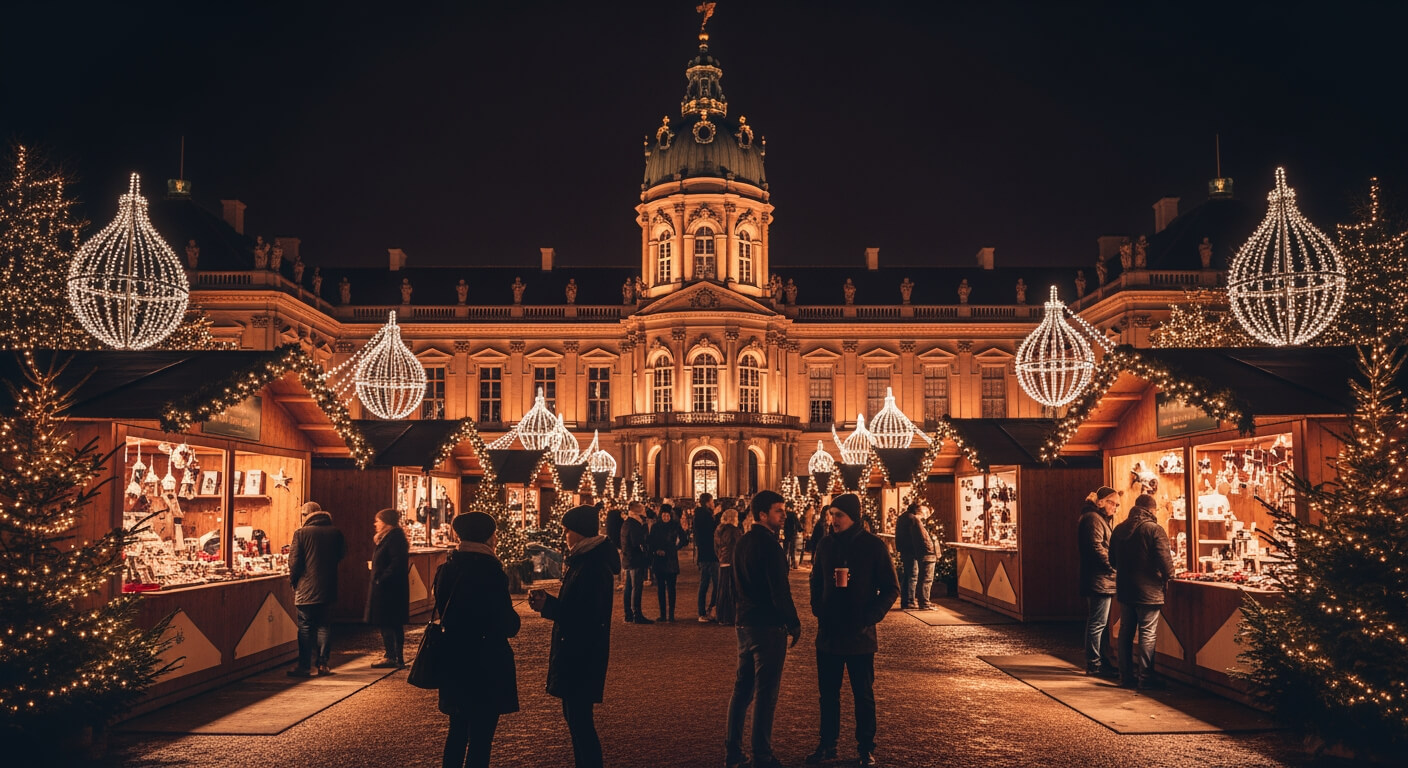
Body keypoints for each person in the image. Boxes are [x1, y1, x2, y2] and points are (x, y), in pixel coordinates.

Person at [806, 494, 900, 767]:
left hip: (860, 634)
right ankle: (827, 744)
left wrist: (872, 615)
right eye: (831, 514)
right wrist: (817, 606)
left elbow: (891, 588)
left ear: (853, 517)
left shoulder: (873, 547)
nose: (833, 520)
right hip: (829, 633)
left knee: (863, 695)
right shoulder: (825, 545)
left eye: (838, 515)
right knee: (828, 695)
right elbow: (815, 579)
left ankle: (865, 747)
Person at [529, 506, 619, 768]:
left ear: (578, 532)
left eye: (567, 530)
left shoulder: (591, 565)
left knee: (580, 721)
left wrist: (549, 606)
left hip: (582, 652)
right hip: (579, 650)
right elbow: (577, 607)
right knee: (575, 717)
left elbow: (584, 615)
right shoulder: (585, 560)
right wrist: (550, 603)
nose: (564, 535)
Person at [436, 511, 520, 768]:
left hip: (454, 658)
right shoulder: (492, 572)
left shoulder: (446, 570)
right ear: (488, 536)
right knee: (481, 738)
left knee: (457, 731)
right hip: (487, 660)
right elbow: (507, 624)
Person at [725, 490, 801, 768]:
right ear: (762, 515)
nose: (784, 515)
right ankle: (761, 755)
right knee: (766, 693)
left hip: (744, 622)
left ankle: (733, 751)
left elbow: (735, 583)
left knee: (742, 690)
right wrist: (793, 622)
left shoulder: (743, 542)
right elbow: (779, 590)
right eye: (779, 510)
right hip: (767, 625)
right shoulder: (770, 546)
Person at [1109, 493, 1176, 690]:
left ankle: (1125, 676)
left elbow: (1112, 561)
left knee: (1125, 632)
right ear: (1152, 510)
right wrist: (1169, 576)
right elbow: (1165, 562)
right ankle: (1146, 678)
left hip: (1126, 588)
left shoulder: (1119, 529)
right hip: (1149, 589)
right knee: (1147, 633)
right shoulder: (1154, 529)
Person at [288, 501, 345, 677]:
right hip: (328, 587)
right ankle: (323, 664)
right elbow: (341, 554)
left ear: (306, 516)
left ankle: (304, 666)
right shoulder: (335, 532)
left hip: (306, 589)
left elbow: (294, 562)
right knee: (324, 626)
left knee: (305, 627)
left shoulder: (301, 533)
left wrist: (294, 581)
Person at [1078, 486, 1120, 678]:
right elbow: (1097, 548)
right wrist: (1113, 566)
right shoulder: (1093, 519)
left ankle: (1100, 660)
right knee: (1097, 622)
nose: (1115, 508)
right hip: (1099, 578)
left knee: (1099, 623)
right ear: (1102, 502)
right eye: (1113, 503)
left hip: (1099, 578)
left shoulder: (1096, 518)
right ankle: (1094, 663)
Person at [366, 508, 410, 668]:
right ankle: (396, 656)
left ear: (386, 522)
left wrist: (380, 578)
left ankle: (391, 656)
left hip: (389, 588)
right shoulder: (391, 537)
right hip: (391, 587)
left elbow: (396, 562)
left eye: (378, 520)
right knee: (393, 622)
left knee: (387, 621)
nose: (375, 523)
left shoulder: (393, 538)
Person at [894, 502, 938, 610]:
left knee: (909, 575)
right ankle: (910, 602)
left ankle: (907, 601)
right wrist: (929, 551)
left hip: (906, 550)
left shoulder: (904, 517)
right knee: (913, 575)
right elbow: (922, 537)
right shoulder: (913, 519)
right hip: (912, 551)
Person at [648, 506, 687, 621]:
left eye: (667, 515)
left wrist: (675, 548)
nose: (665, 517)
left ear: (671, 515)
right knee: (660, 588)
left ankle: (671, 614)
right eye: (664, 515)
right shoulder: (655, 527)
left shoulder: (675, 525)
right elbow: (651, 541)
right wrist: (656, 550)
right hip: (659, 559)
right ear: (661, 515)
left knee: (671, 588)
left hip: (671, 560)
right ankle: (663, 614)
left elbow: (684, 539)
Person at [619, 501, 652, 624]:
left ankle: (628, 614)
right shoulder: (635, 524)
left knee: (629, 587)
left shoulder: (627, 523)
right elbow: (637, 542)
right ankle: (636, 614)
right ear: (638, 511)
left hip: (628, 559)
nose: (645, 511)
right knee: (636, 587)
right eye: (643, 509)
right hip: (636, 560)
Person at [714, 506, 743, 625]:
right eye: (736, 517)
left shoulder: (718, 530)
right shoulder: (734, 531)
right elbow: (739, 546)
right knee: (731, 590)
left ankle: (721, 616)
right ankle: (730, 616)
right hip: (732, 562)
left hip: (723, 561)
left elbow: (716, 548)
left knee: (722, 589)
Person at [693, 493, 720, 622]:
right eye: (712, 501)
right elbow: (712, 531)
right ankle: (709, 609)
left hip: (705, 554)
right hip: (710, 554)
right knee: (715, 583)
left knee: (706, 584)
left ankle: (704, 611)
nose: (713, 503)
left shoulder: (699, 515)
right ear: (708, 502)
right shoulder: (705, 516)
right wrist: (717, 515)